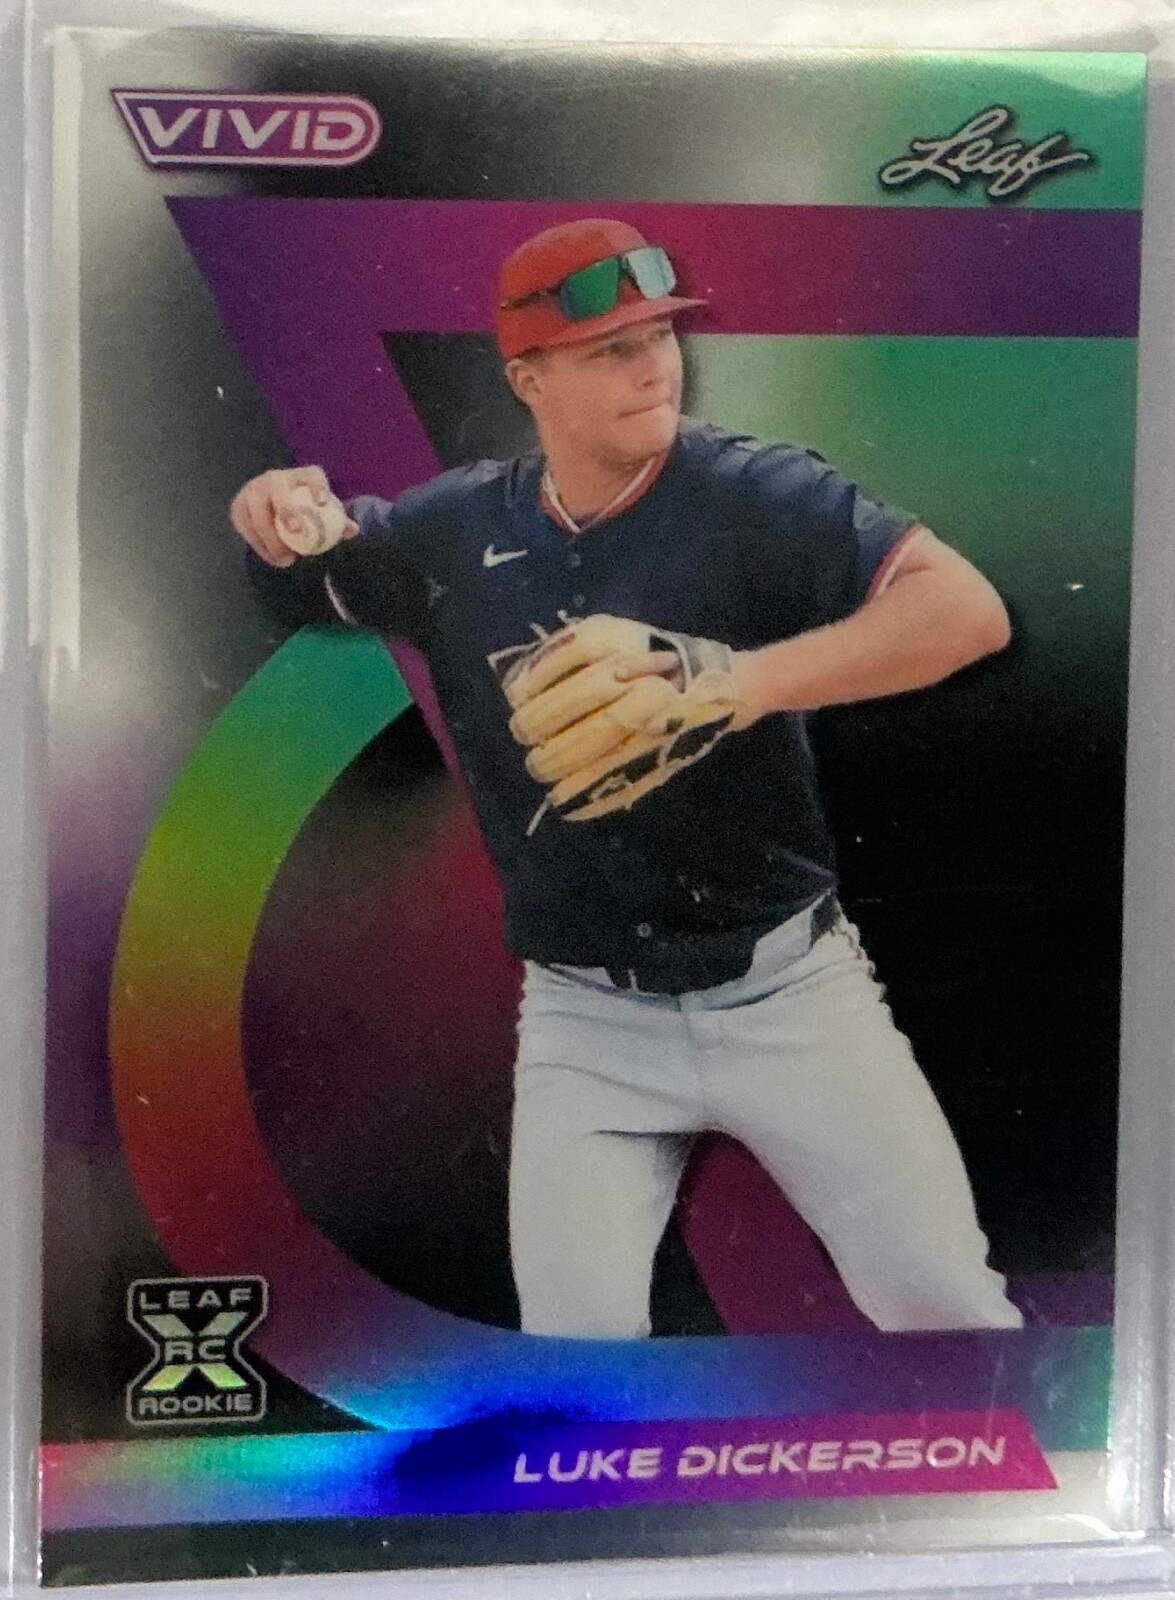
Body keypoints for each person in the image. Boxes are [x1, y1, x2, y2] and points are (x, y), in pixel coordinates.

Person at [232, 217, 1024, 1339]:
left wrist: (732, 681)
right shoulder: (455, 530)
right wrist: (272, 517)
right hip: (585, 1022)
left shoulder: (753, 491)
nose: (654, 364)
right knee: (572, 1362)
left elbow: (965, 612)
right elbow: (310, 571)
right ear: (528, 378)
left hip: (790, 995)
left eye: (658, 335)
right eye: (610, 348)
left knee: (945, 1313)